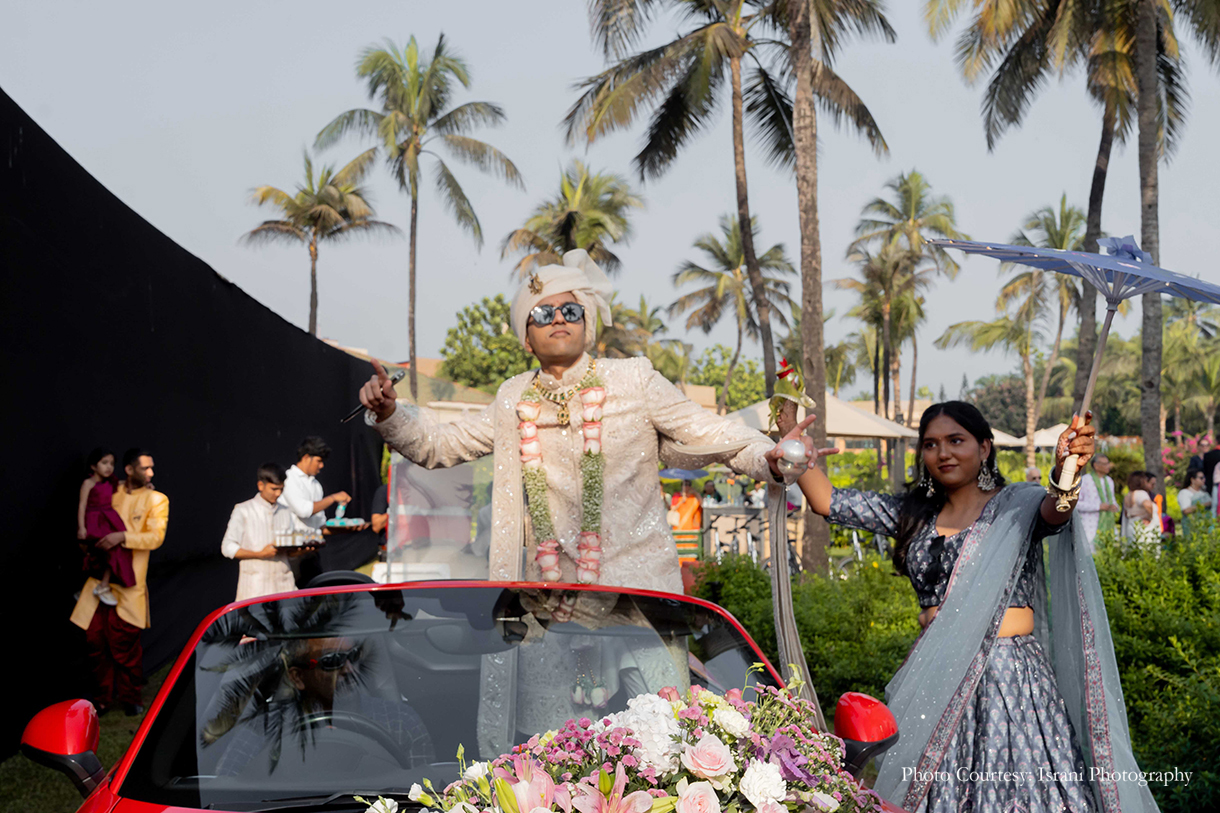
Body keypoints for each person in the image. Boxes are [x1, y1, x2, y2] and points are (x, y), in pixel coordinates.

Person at [357, 249, 798, 594]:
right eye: (542, 314)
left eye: (570, 311)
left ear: (587, 325)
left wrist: (771, 457)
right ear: (526, 339)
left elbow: (715, 434)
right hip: (550, 606)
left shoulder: (634, 380)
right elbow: (439, 446)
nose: (558, 320)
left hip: (642, 600)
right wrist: (390, 413)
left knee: (661, 693)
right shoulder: (514, 398)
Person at [790, 402, 1157, 812]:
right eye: (931, 444)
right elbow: (828, 501)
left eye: (955, 440)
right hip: (938, 677)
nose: (943, 453)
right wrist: (793, 449)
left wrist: (1066, 469)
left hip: (1008, 679)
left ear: (984, 447)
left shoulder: (1017, 505)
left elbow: (1056, 510)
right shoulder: (914, 515)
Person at [70, 448, 168, 716]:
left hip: (128, 585)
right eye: (145, 468)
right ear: (128, 470)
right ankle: (102, 698)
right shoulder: (110, 490)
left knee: (126, 647)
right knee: (95, 643)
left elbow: (156, 537)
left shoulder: (157, 499)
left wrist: (122, 536)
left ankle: (130, 697)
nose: (151, 473)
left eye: (151, 468)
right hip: (97, 582)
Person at [221, 463, 299, 601]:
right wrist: (259, 554)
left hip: (284, 588)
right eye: (274, 489)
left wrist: (299, 551)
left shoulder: (286, 511)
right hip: (255, 590)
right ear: (261, 485)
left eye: (281, 489)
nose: (278, 494)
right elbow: (227, 547)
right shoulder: (243, 510)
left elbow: (290, 551)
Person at [76, 448, 134, 606]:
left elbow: (124, 484)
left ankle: (103, 585)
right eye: (104, 463)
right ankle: (92, 587)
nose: (109, 467)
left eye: (112, 464)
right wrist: (81, 528)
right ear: (93, 466)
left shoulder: (111, 482)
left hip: (109, 520)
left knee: (115, 549)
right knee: (96, 553)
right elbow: (82, 505)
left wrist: (144, 485)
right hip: (94, 521)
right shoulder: (88, 483)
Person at [1077, 454, 1120, 552]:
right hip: (1090, 525)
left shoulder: (1109, 481)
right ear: (1096, 465)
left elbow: (1112, 500)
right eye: (1105, 464)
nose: (1108, 466)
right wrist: (1098, 507)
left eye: (1108, 463)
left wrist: (1114, 506)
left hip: (1108, 524)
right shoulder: (1085, 480)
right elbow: (1076, 504)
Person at [1122, 470, 1159, 548]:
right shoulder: (1140, 493)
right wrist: (1149, 517)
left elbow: (1126, 513)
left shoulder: (1128, 495)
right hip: (1142, 525)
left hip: (1131, 524)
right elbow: (1148, 505)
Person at [1177, 468, 1211, 539]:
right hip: (1191, 528)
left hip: (1205, 528)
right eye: (1201, 478)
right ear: (1192, 479)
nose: (1204, 480)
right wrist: (1203, 505)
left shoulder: (1204, 493)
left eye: (1204, 477)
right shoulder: (1185, 493)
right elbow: (1186, 510)